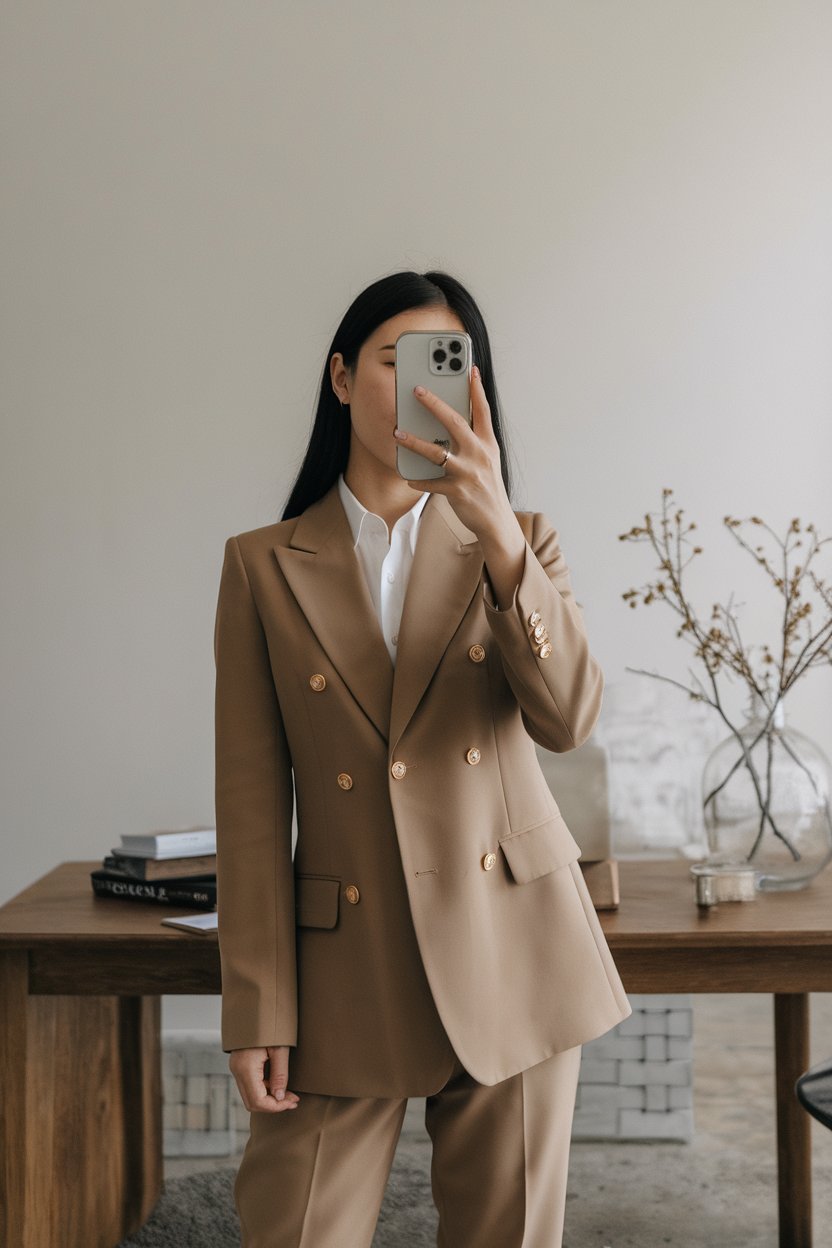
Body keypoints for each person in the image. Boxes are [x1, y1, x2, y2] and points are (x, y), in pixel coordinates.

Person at [213, 270, 632, 1247]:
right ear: (342, 377)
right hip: (342, 968)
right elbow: (247, 802)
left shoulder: (519, 543)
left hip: (514, 951)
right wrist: (256, 1007)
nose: (418, 390)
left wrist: (494, 536)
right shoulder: (262, 565)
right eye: (396, 361)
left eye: (445, 367)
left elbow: (568, 718)